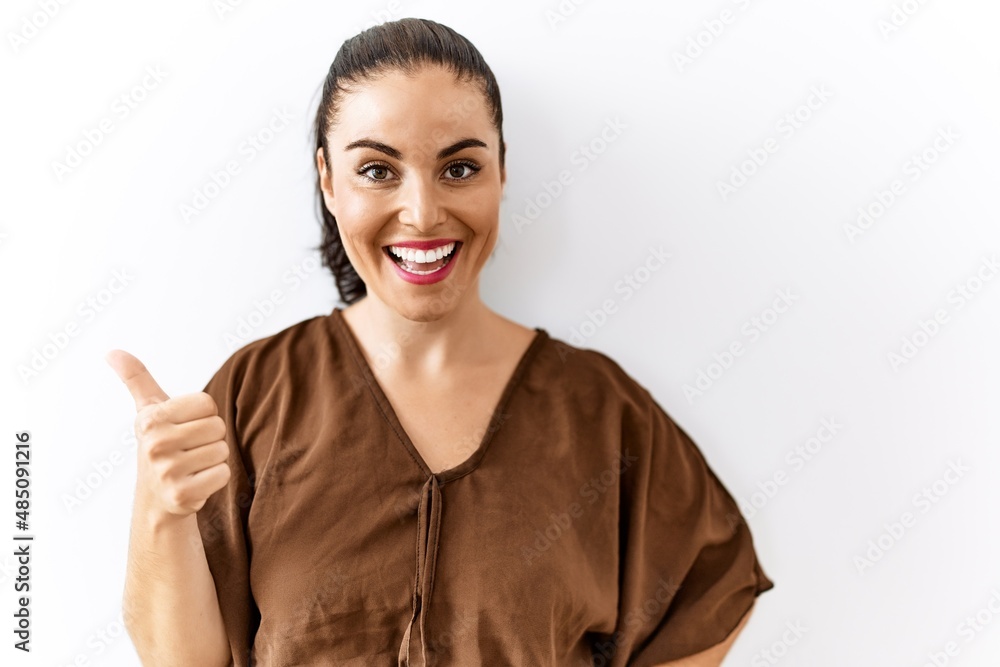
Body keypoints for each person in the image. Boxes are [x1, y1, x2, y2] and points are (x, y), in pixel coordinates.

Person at [107, 17, 774, 667]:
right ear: (328, 180)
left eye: (459, 168)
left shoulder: (603, 412)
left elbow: (710, 596)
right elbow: (182, 661)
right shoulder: (256, 394)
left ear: (501, 173)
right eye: (377, 170)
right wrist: (162, 509)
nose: (423, 213)